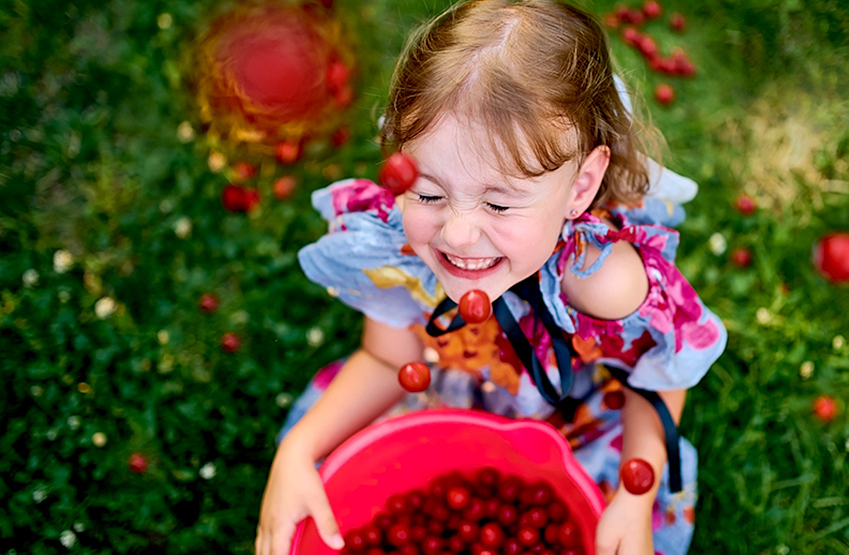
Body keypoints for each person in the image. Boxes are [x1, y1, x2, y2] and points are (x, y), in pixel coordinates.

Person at [255, 1, 726, 554]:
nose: (456, 235)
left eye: (499, 206)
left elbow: (657, 377)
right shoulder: (400, 246)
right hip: (445, 393)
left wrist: (633, 496)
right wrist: (300, 450)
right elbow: (387, 358)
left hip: (570, 423)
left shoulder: (599, 278)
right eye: (428, 193)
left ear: (580, 188)